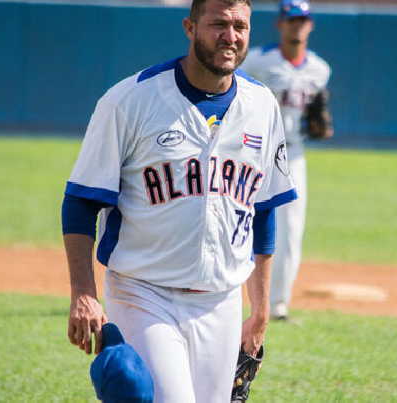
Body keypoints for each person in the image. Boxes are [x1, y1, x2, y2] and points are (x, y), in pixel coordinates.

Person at [61, 0, 297, 401]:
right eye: (218, 24)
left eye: (240, 26)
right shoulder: (130, 100)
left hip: (220, 299)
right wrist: (83, 293)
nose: (231, 36)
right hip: (144, 291)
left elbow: (263, 210)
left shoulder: (262, 105)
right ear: (190, 27)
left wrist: (259, 310)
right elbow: (80, 202)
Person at [240, 0, 332, 321]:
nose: (298, 25)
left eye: (303, 20)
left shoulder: (320, 70)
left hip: (291, 153)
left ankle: (278, 305)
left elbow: (316, 113)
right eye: (292, 19)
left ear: (311, 25)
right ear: (280, 24)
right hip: (250, 149)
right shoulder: (257, 61)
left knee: (291, 227)